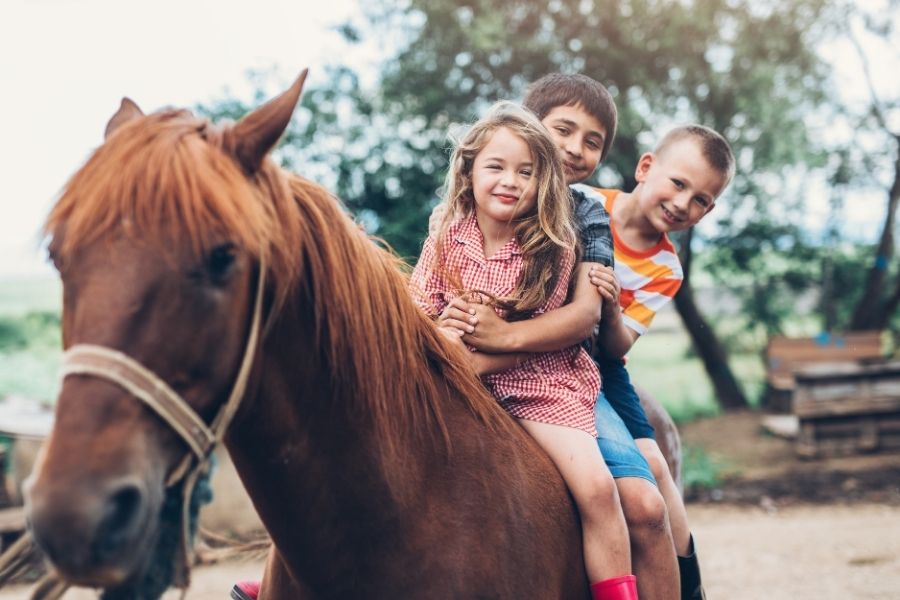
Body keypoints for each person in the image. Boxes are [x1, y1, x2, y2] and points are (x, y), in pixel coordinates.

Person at [441, 76, 732, 600]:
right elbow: (440, 277)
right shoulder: (489, 199)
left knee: (650, 485)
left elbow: (593, 331)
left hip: (579, 365)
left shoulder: (585, 214)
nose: (574, 148)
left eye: (591, 141)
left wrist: (507, 335)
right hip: (495, 347)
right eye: (563, 131)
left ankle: (689, 587)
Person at [412, 101, 639, 600]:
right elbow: (421, 310)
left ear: (544, 182)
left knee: (599, 491)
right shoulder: (445, 237)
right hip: (456, 374)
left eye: (526, 172)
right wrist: (440, 333)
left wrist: (465, 360)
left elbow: (542, 337)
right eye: (496, 167)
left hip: (540, 386)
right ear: (469, 169)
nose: (510, 181)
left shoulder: (553, 244)